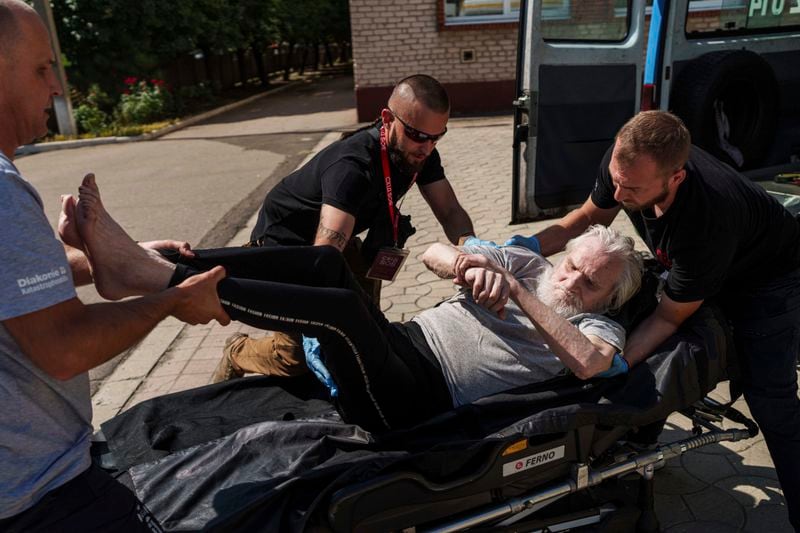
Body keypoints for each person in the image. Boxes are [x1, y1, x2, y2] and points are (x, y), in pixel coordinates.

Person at [65, 179, 643, 432]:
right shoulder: (530, 263)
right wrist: (469, 265)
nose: (569, 281)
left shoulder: (596, 326)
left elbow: (591, 364)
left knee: (340, 307)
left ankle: (161, 279)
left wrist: (517, 295)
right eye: (570, 264)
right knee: (326, 266)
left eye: (589, 281)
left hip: (420, 399)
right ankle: (168, 263)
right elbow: (437, 252)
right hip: (402, 343)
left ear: (607, 298)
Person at [506, 110, 800, 528]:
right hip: (700, 262)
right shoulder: (627, 160)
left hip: (767, 282)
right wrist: (531, 243)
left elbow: (667, 318)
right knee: (648, 335)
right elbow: (592, 214)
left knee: (771, 399)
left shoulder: (707, 218)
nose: (620, 190)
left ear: (675, 178)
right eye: (617, 179)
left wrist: (616, 362)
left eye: (633, 188)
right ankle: (638, 442)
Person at [0, 2, 230, 530]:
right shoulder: (3, 190)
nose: (56, 87)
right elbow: (65, 347)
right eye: (41, 69)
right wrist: (170, 301)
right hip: (40, 497)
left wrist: (103, 260)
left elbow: (11, 282)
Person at [213, 74, 480, 383]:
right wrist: (325, 316)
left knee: (369, 330)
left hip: (338, 237)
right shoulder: (351, 167)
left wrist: (475, 251)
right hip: (284, 244)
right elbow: (324, 256)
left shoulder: (420, 153)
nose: (427, 147)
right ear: (387, 119)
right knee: (293, 357)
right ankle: (237, 351)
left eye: (437, 137)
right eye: (418, 135)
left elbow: (449, 211)